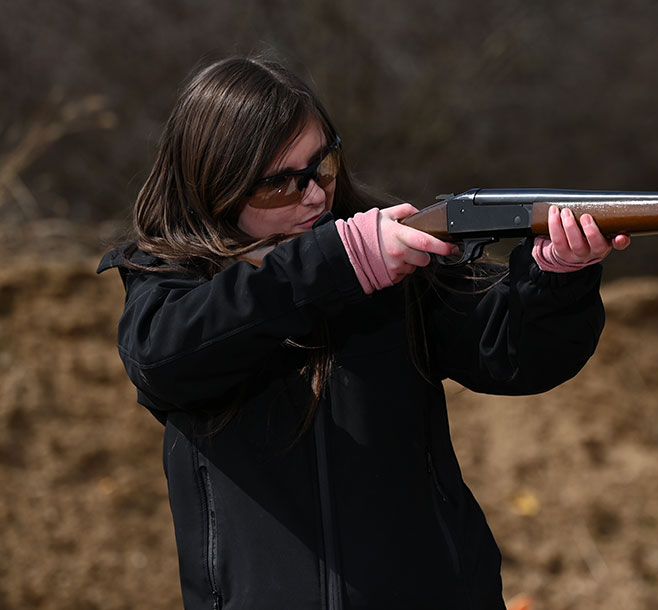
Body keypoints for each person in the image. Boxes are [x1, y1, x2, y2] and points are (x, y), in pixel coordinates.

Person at [97, 55, 629, 610]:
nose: (313, 196)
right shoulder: (169, 281)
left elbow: (511, 355)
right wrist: (332, 265)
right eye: (278, 185)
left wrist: (554, 280)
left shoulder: (387, 253)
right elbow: (163, 360)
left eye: (322, 167)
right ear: (215, 186)